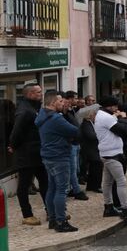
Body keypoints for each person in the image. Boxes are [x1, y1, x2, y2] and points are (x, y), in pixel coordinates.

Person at [35, 91, 80, 232]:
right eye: (61, 101)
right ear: (53, 102)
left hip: (48, 156)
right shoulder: (56, 118)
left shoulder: (42, 115)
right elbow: (75, 130)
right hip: (59, 156)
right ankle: (61, 222)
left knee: (52, 188)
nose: (63, 103)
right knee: (61, 190)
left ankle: (53, 219)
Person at [94, 96, 127, 226]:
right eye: (115, 106)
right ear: (110, 106)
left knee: (107, 182)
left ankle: (108, 207)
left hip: (107, 152)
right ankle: (126, 210)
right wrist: (124, 118)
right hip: (112, 153)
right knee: (121, 182)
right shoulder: (106, 117)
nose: (117, 108)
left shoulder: (102, 115)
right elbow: (125, 131)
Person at [8, 84, 48, 226]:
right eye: (38, 92)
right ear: (30, 94)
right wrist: (13, 145)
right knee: (24, 185)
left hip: (38, 153)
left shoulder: (34, 108)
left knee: (45, 183)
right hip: (26, 155)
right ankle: (27, 215)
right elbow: (17, 131)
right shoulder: (24, 110)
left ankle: (51, 210)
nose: (41, 94)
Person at [77, 104, 102, 193]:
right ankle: (95, 186)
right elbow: (91, 135)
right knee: (96, 166)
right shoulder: (86, 124)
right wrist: (100, 134)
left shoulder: (91, 123)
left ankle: (92, 186)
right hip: (90, 149)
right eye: (94, 114)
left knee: (94, 167)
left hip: (93, 148)